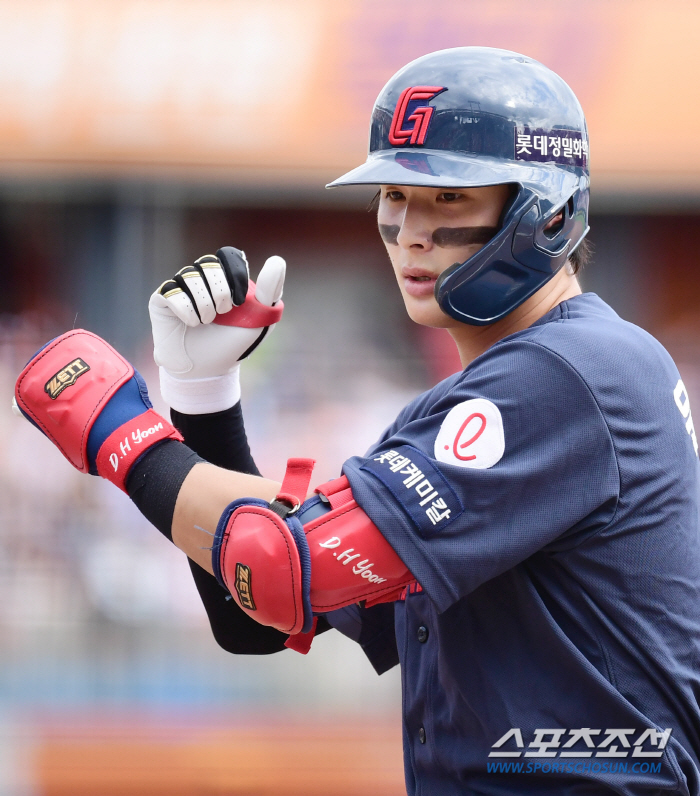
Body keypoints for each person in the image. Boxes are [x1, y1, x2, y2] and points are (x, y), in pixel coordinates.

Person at [14, 47, 700, 795]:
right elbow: (258, 619)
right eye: (396, 195)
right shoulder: (484, 394)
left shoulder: (574, 369)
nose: (409, 229)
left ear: (549, 209)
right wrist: (201, 394)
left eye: (448, 199)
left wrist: (121, 434)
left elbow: (282, 568)